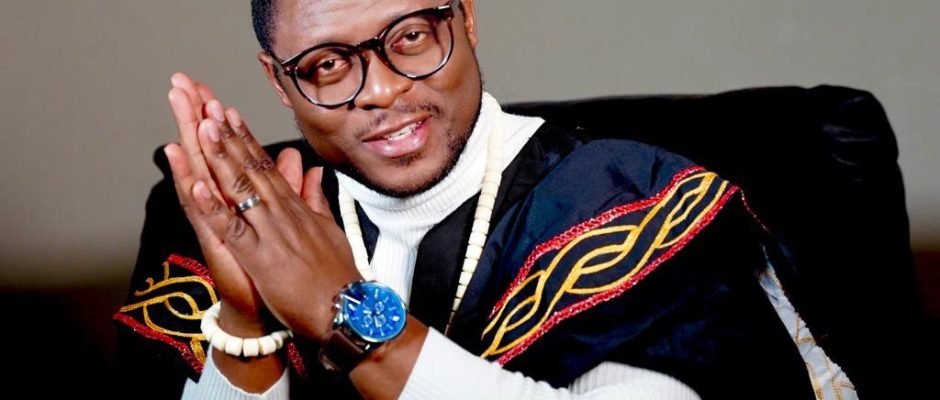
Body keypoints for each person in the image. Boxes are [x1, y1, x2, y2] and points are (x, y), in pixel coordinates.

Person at [114, 1, 857, 398]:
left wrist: (348, 314)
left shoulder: (625, 199)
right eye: (328, 64)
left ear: (465, 17)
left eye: (411, 36)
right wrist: (246, 327)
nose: (382, 90)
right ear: (279, 82)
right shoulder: (239, 226)